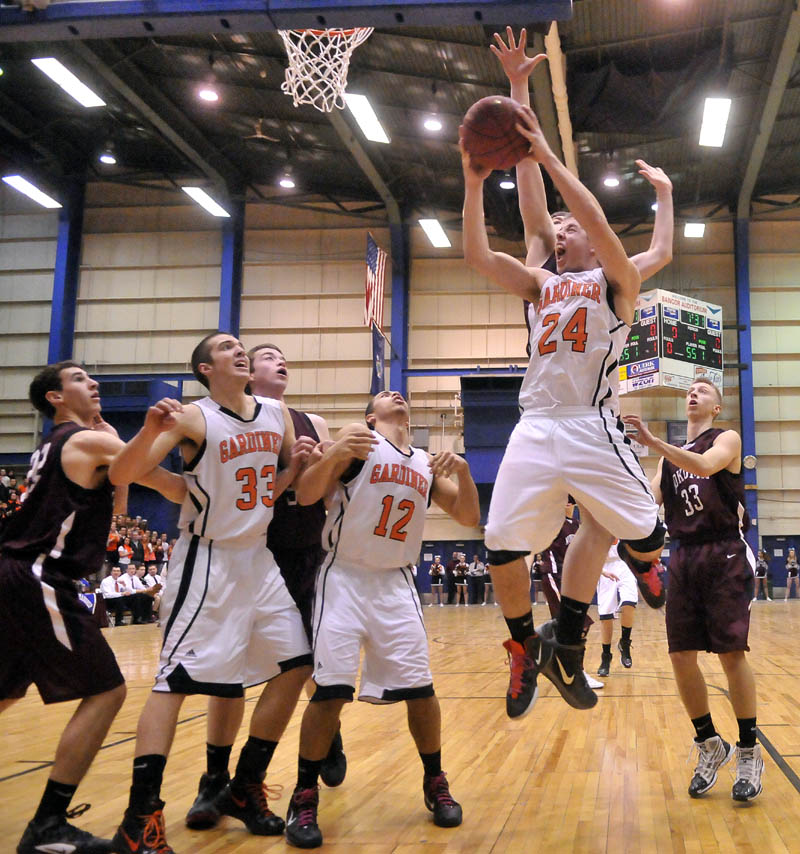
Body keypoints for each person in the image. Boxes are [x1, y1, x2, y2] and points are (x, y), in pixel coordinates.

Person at [462, 99, 667, 719]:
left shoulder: (616, 281)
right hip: (535, 425)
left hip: (591, 423)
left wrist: (546, 154)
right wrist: (474, 183)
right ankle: (530, 647)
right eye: (556, 224)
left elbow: (595, 221)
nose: (561, 225)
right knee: (500, 542)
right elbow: (479, 255)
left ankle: (576, 635)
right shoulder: (539, 282)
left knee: (643, 532)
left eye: (567, 223)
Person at [108, 332, 314, 853]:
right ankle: (140, 816)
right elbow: (122, 471)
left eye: (241, 345)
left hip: (258, 559)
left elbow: (280, 483)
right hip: (207, 558)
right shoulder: (193, 418)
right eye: (226, 347)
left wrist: (301, 464)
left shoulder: (275, 413)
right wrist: (152, 438)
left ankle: (244, 785)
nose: (239, 350)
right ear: (205, 368)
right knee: (173, 683)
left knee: (298, 664)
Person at [282, 389, 481, 848]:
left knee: (421, 689)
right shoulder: (359, 442)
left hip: (395, 581)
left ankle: (435, 781)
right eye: (384, 395)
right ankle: (304, 794)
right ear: (371, 416)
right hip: (344, 576)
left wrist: (466, 473)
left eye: (400, 393)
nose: (396, 393)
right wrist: (333, 453)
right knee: (330, 691)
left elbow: (469, 515)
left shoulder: (425, 463)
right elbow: (307, 493)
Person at [0, 361, 184, 854]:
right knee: (107, 691)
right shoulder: (81, 440)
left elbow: (118, 504)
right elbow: (147, 471)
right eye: (80, 379)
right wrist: (179, 426)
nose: (94, 383)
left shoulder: (67, 444)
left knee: (5, 693)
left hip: (17, 573)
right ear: (56, 398)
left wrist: (124, 443)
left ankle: (49, 823)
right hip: (41, 576)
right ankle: (48, 823)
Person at [184, 342, 346, 835]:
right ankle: (215, 780)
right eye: (268, 356)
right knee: (229, 667)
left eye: (282, 356)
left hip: (305, 548)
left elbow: (330, 487)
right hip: (256, 544)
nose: (281, 360)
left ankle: (323, 730)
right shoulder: (232, 418)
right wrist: (293, 469)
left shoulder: (311, 421)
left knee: (305, 656)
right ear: (248, 374)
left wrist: (323, 462)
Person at [624, 378, 764, 801]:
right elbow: (641, 502)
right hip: (683, 557)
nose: (693, 393)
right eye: (690, 390)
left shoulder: (727, 438)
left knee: (729, 654)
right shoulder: (667, 464)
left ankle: (747, 748)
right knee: (680, 655)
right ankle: (708, 743)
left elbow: (704, 467)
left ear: (716, 408)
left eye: (703, 391)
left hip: (724, 554)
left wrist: (653, 442)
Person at [595, 541, 639, 676]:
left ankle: (625, 643)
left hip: (625, 565)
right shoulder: (594, 523)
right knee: (606, 615)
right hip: (604, 566)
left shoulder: (625, 522)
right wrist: (601, 571)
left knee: (629, 602)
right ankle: (606, 656)